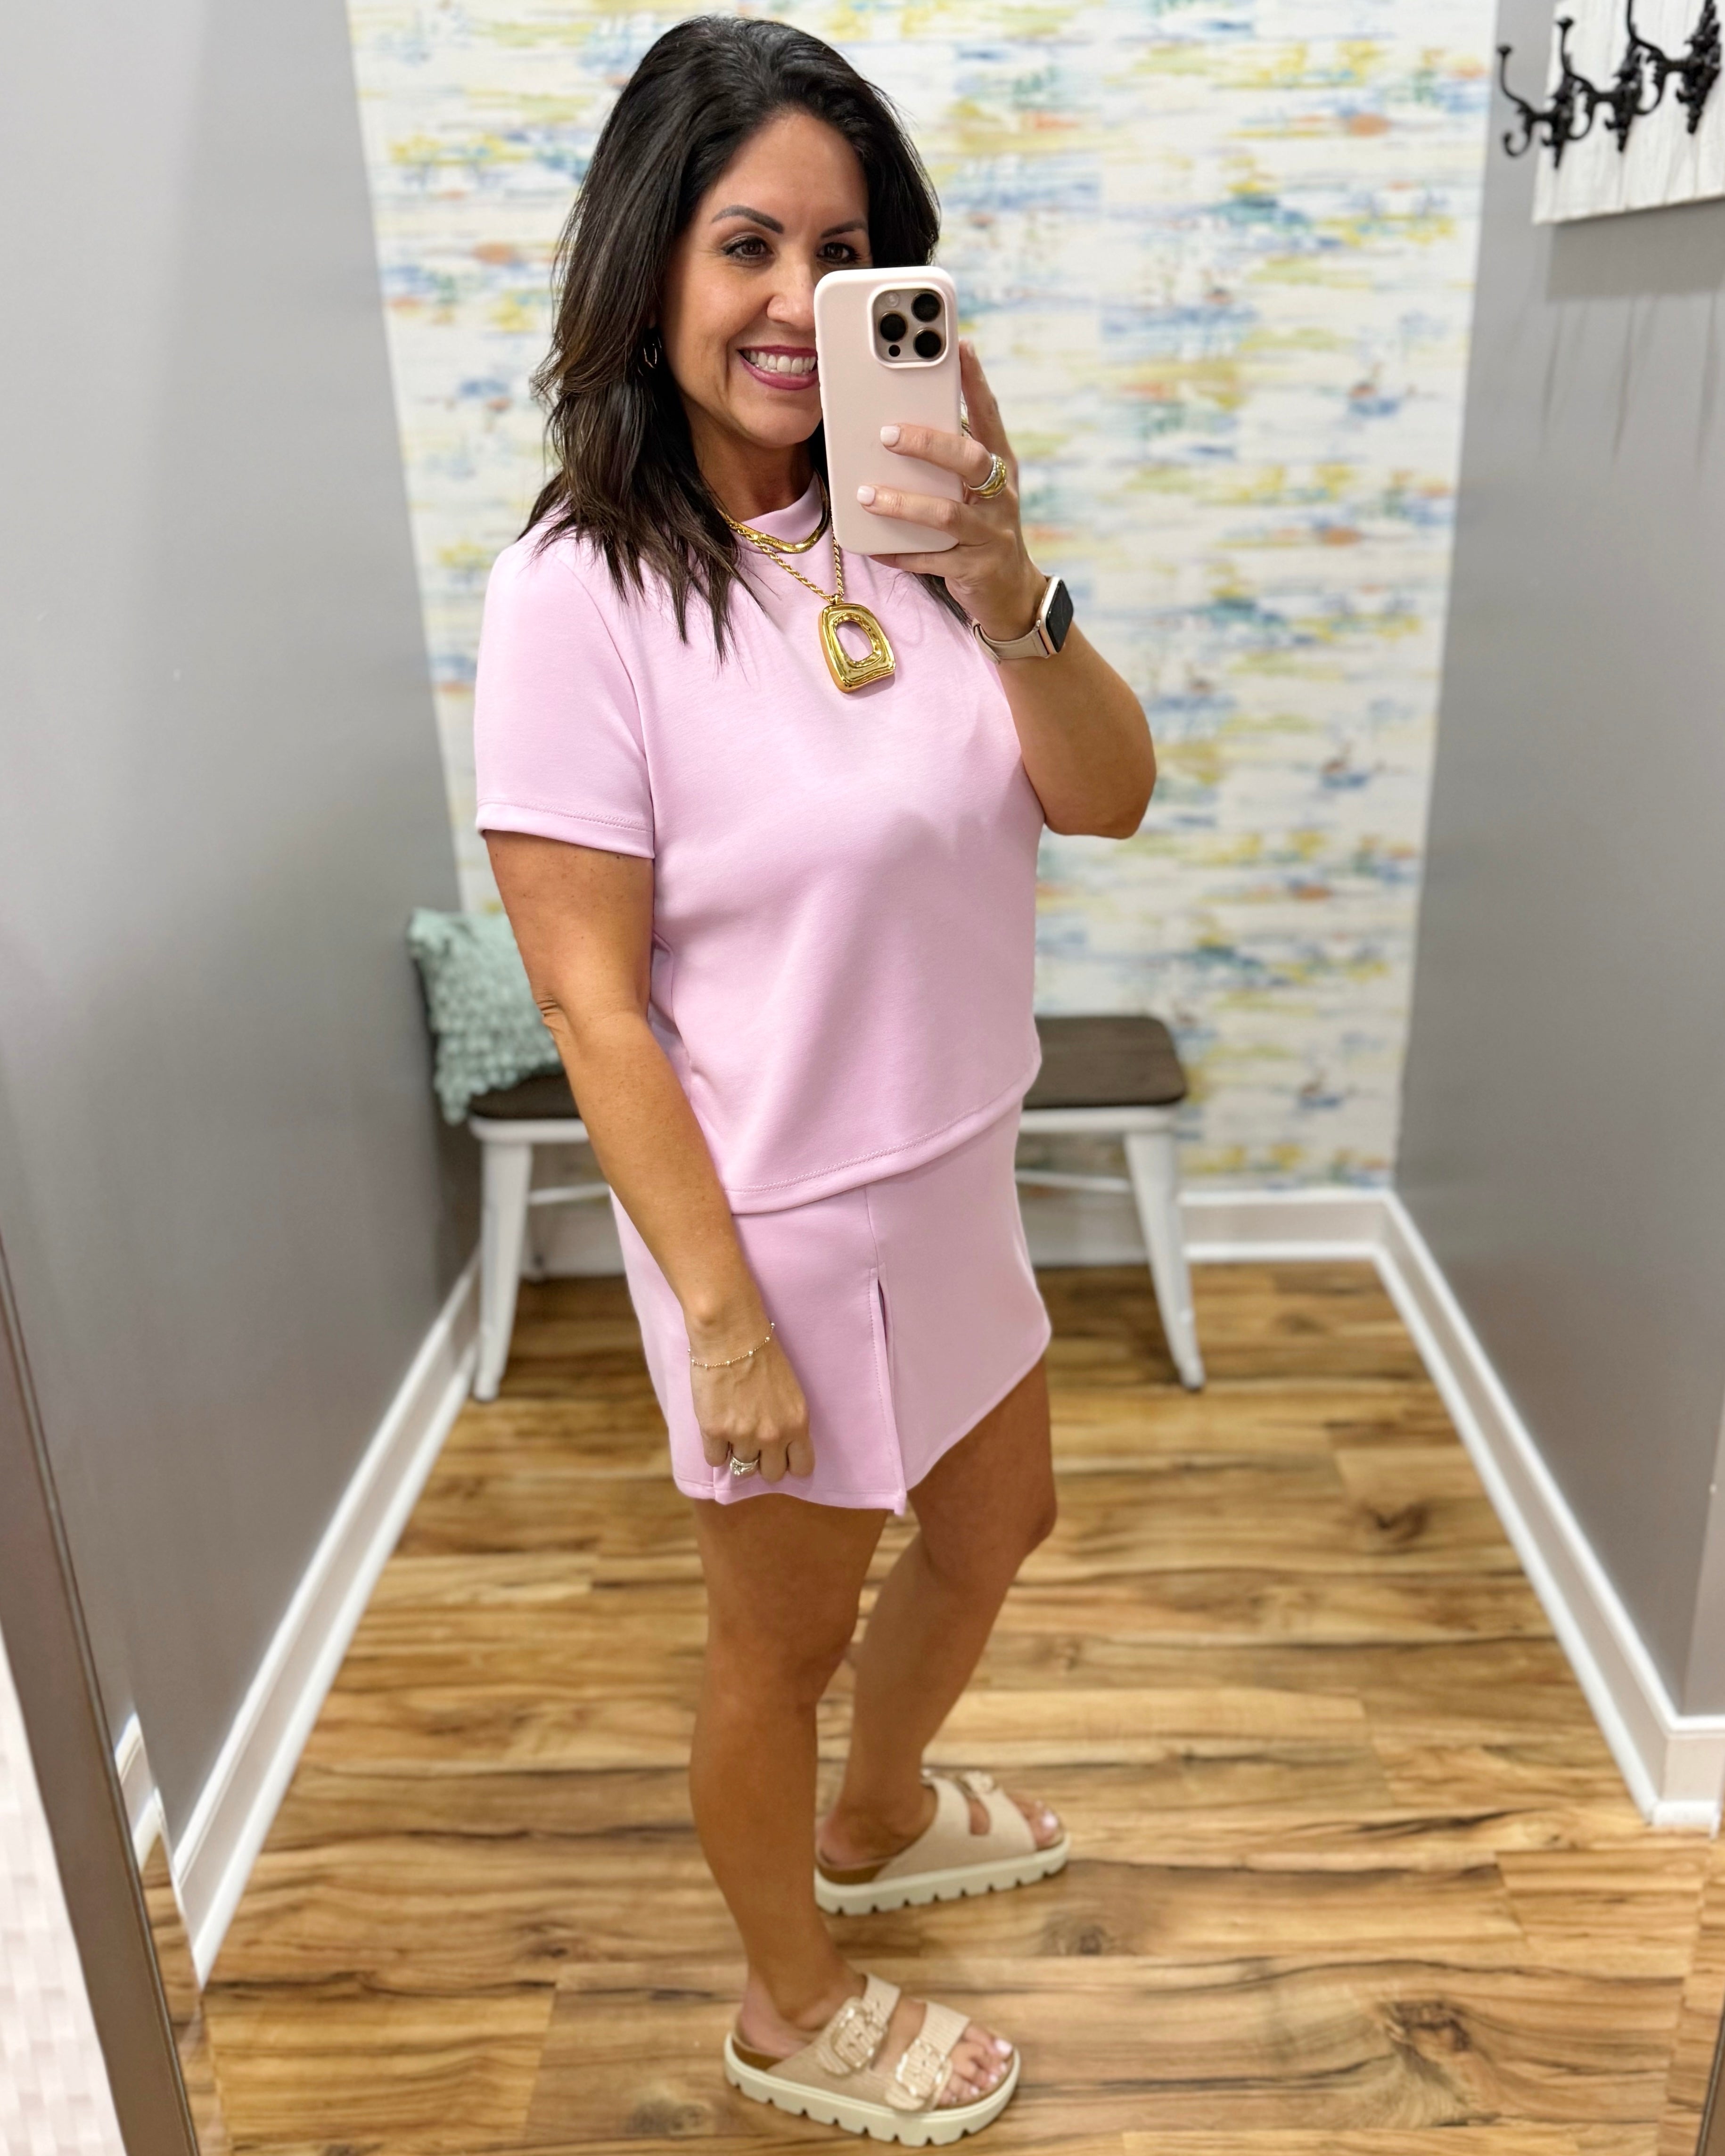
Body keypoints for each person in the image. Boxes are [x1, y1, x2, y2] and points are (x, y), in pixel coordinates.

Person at [473, 16, 1155, 2141]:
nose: (796, 301)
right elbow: (594, 1009)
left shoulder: (921, 529)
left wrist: (1003, 576)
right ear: (649, 268)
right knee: (772, 1647)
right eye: (747, 244)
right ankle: (789, 2003)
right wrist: (723, 1318)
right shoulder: (574, 596)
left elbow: (1105, 797)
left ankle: (875, 1819)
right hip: (771, 1225)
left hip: (953, 1171)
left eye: (846, 255)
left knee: (1000, 1519)